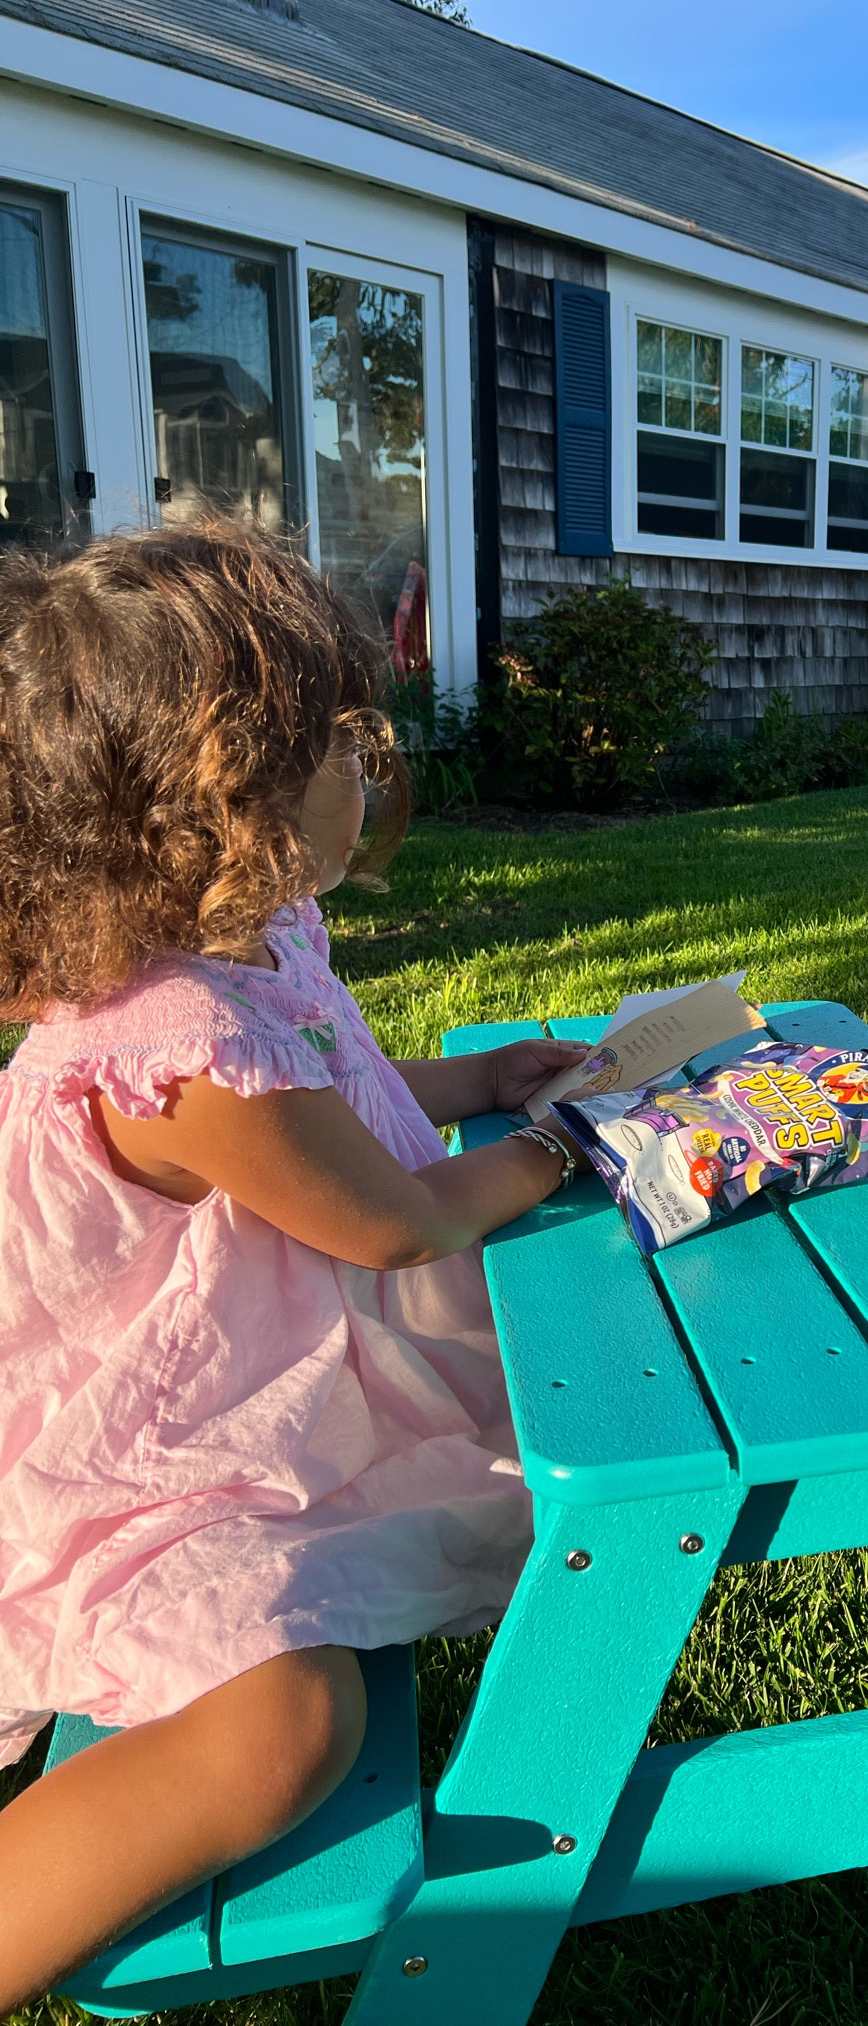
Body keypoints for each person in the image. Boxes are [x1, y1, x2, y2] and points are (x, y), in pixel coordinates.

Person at [0, 522, 595, 2009]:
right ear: (226, 795)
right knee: (282, 1725)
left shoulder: (245, 944)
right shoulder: (173, 1047)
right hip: (135, 1451)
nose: (373, 767)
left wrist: (482, 1083)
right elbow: (388, 1219)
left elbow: (337, 1098)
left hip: (215, 1386)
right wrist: (577, 1147)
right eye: (348, 741)